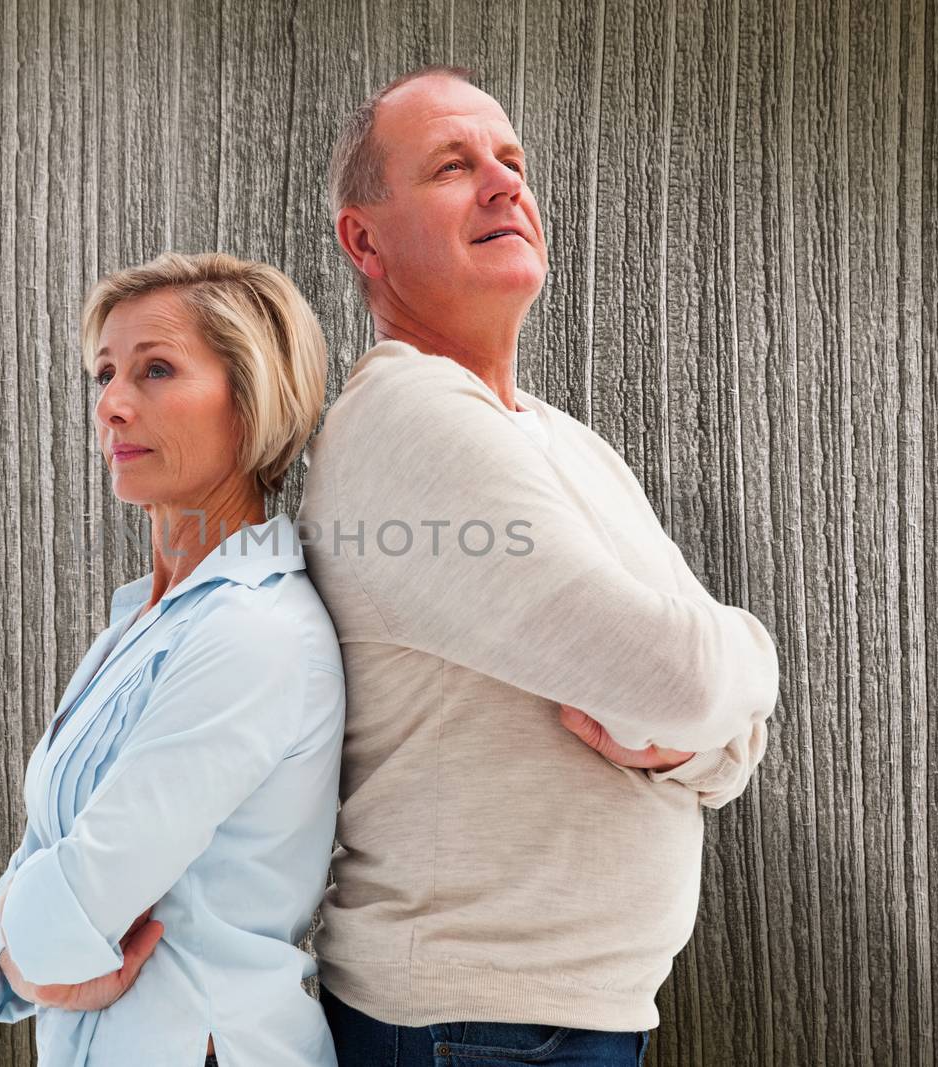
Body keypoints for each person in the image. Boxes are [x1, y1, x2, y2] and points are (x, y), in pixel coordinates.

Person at [296, 66, 781, 1066]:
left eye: (512, 161)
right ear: (365, 239)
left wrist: (699, 736)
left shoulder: (569, 444)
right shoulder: (408, 418)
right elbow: (685, 677)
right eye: (451, 165)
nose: (503, 183)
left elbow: (728, 745)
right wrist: (745, 659)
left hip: (559, 1022)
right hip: (470, 1028)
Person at [0, 252, 346, 1067]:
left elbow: (79, 892)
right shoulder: (138, 624)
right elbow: (43, 852)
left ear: (250, 402)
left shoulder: (255, 634)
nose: (111, 403)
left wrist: (20, 951)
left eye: (155, 369)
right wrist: (23, 947)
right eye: (104, 371)